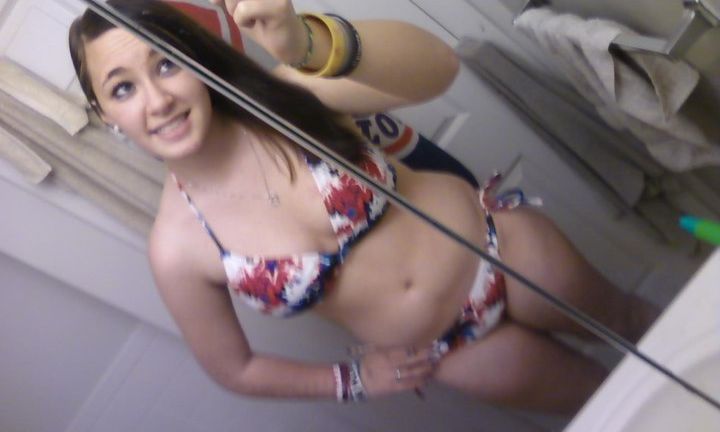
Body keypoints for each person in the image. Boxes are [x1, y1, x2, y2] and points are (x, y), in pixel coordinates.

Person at [68, 0, 656, 413]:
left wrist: (305, 43)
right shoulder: (176, 249)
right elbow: (234, 368)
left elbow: (438, 68)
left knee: (640, 328)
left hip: (507, 251)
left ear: (197, 65)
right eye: (123, 88)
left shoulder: (285, 101)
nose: (157, 100)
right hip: (457, 348)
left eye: (166, 63)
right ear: (103, 112)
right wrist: (349, 380)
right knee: (617, 410)